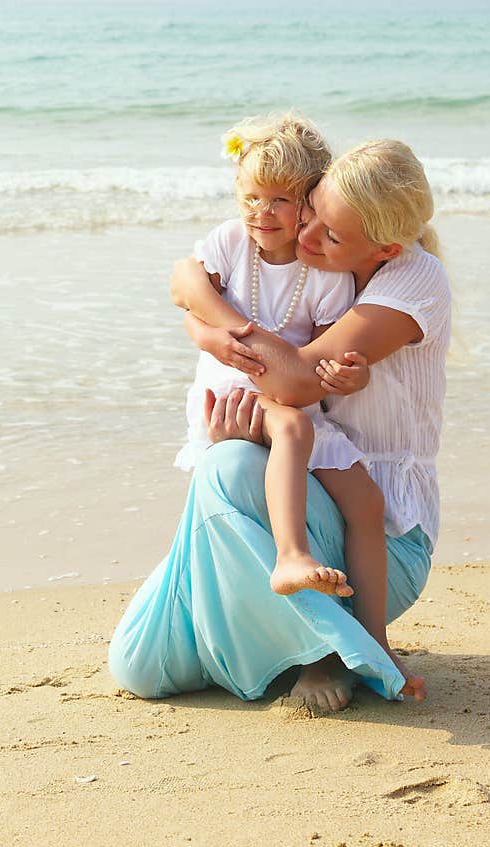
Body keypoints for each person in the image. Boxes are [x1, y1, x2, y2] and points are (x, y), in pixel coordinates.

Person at [109, 136, 450, 712]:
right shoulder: (279, 254)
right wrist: (198, 313)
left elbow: (293, 382)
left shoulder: (412, 281)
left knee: (233, 462)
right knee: (140, 666)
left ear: (386, 247)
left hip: (382, 546)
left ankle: (334, 650)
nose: (306, 238)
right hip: (288, 478)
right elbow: (190, 285)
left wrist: (208, 315)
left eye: (330, 234)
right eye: (312, 214)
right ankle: (279, 618)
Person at [176, 113, 392, 619]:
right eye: (252, 197)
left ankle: (376, 636)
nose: (262, 212)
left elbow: (323, 359)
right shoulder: (230, 242)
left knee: (366, 503)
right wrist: (212, 337)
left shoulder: (321, 273)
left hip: (290, 390)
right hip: (231, 382)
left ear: (309, 202)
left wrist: (352, 376)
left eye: (279, 200)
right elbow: (187, 300)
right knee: (292, 428)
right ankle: (291, 556)